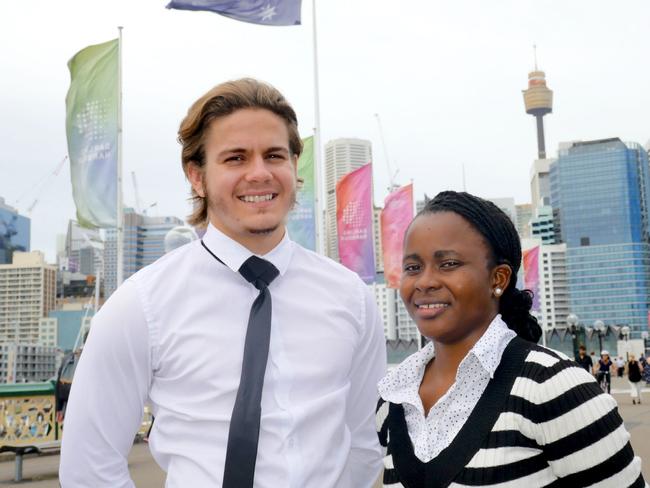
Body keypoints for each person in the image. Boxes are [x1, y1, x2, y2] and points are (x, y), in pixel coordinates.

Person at [59, 78, 386, 487]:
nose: (259, 173)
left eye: (274, 155)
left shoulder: (351, 297)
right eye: (235, 158)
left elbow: (362, 440)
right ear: (197, 176)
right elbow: (88, 466)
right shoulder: (141, 305)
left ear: (293, 166)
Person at [376, 191, 644, 487]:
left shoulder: (552, 386)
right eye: (413, 267)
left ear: (498, 279)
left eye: (448, 264)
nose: (425, 281)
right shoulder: (394, 400)